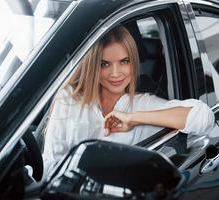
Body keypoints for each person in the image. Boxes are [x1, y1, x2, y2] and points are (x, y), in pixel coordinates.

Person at [42, 26, 214, 176]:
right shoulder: (69, 98)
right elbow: (50, 163)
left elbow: (203, 117)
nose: (115, 73)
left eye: (124, 62)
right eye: (104, 64)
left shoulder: (142, 104)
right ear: (93, 66)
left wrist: (133, 118)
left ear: (134, 63)